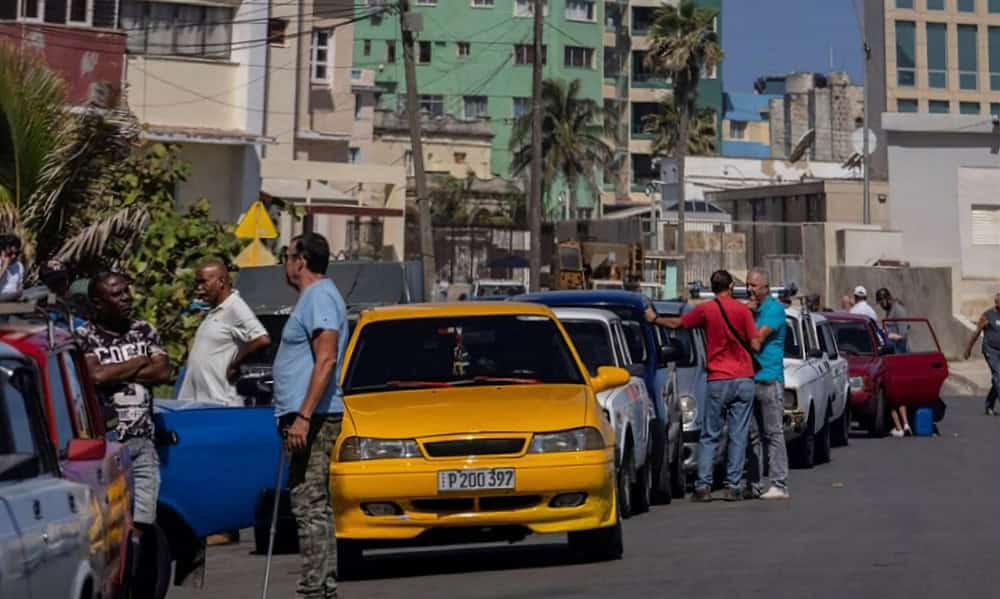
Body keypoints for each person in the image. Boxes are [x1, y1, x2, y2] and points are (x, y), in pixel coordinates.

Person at [272, 233, 349, 599]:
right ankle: (320, 585)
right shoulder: (313, 298)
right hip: (307, 415)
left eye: (286, 256)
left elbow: (327, 357)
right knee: (310, 502)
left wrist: (303, 416)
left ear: (301, 260)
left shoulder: (319, 296)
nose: (284, 263)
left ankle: (316, 588)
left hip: (314, 418)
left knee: (309, 504)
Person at [646, 270, 757, 503]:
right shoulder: (742, 311)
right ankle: (733, 485)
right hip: (743, 377)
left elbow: (678, 323)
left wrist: (654, 319)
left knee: (709, 434)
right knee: (738, 433)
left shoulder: (707, 310)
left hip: (717, 378)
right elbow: (755, 344)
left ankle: (704, 486)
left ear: (713, 287)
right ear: (731, 287)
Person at [78, 273, 170, 542]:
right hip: (107, 444)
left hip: (143, 441)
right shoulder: (86, 335)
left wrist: (114, 372)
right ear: (98, 303)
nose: (126, 298)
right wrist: (140, 360)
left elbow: (162, 371)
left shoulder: (144, 330)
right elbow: (95, 376)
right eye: (117, 295)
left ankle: (134, 575)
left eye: (127, 292)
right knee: (110, 523)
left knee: (144, 520)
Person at [177, 259, 271, 406]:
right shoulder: (215, 309)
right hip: (198, 401)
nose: (199, 288)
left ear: (221, 281)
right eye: (197, 283)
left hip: (220, 402)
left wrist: (235, 365)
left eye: (203, 282)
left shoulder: (235, 306)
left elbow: (261, 338)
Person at [744, 269, 790, 500]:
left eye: (754, 285)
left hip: (769, 379)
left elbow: (756, 342)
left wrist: (746, 317)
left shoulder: (774, 310)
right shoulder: (751, 312)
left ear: (765, 287)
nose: (750, 290)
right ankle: (753, 483)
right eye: (748, 285)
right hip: (750, 379)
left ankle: (778, 484)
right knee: (751, 435)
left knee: (773, 433)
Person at [964, 293, 1000, 416]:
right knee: (998, 375)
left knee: (998, 379)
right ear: (997, 303)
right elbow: (976, 332)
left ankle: (989, 405)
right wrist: (968, 349)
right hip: (991, 351)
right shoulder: (987, 316)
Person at [876, 288, 909, 354]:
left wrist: (888, 335)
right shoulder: (890, 310)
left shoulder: (898, 310)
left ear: (888, 299)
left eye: (882, 302)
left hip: (900, 351)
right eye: (880, 303)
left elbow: (903, 336)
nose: (881, 305)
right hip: (893, 350)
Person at [0, 234, 24, 301]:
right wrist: (4, 267)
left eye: (16, 254)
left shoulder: (19, 266)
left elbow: (20, 285)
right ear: (2, 251)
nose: (13, 256)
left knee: (43, 290)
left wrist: (20, 288)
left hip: (13, 299)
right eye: (10, 253)